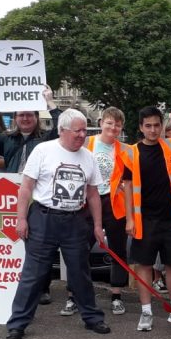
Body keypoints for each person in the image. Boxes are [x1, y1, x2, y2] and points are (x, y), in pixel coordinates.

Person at [4, 108, 110, 339]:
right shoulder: (43, 150)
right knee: (34, 274)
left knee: (80, 272)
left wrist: (97, 226)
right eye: (78, 131)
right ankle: (18, 323)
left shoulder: (88, 157)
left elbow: (93, 194)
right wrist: (21, 219)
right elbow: (25, 188)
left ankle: (92, 318)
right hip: (43, 218)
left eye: (84, 130)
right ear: (62, 131)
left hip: (75, 220)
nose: (82, 135)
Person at [0, 88, 61, 305]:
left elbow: (62, 128)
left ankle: (43, 287)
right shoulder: (7, 140)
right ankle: (15, 283)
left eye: (29, 114)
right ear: (16, 118)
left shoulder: (46, 141)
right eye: (21, 115)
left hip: (38, 198)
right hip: (12, 196)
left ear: (36, 118)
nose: (25, 118)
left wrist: (50, 102)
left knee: (41, 244)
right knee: (15, 241)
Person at [117, 106, 171, 331]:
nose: (153, 130)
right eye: (148, 126)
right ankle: (146, 312)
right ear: (141, 128)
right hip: (145, 220)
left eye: (156, 125)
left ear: (162, 126)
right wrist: (130, 219)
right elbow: (128, 188)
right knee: (145, 264)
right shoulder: (131, 152)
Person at [58, 107, 130, 316]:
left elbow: (130, 178)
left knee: (117, 250)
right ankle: (73, 295)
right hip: (87, 201)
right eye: (109, 123)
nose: (113, 127)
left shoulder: (125, 149)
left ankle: (116, 295)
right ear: (101, 123)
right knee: (79, 249)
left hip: (113, 203)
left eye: (117, 124)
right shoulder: (87, 142)